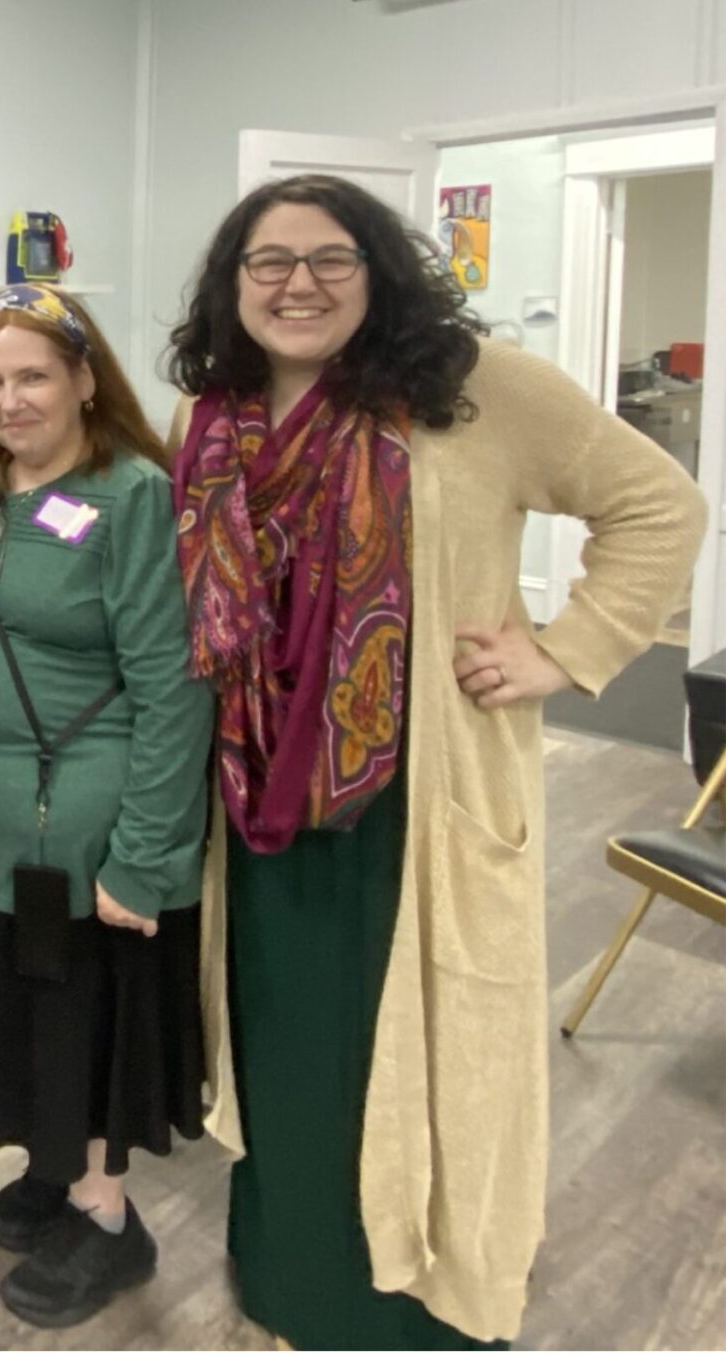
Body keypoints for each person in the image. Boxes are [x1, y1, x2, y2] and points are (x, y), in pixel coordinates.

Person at [166, 173, 707, 1349]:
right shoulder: (212, 420)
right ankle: (292, 1273)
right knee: (287, 1053)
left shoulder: (470, 391)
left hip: (418, 803)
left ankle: (420, 1301)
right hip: (259, 807)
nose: (297, 284)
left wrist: (566, 651)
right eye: (269, 262)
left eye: (329, 259)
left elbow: (658, 503)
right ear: (233, 282)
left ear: (378, 270)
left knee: (424, 1051)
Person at [0, 284, 212, 1329]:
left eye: (34, 374)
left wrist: (143, 856)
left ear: (87, 380)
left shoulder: (133, 494)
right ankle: (55, 1167)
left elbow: (175, 684)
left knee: (81, 1022)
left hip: (84, 831)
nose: (11, 399)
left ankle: (106, 1217)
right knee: (25, 1020)